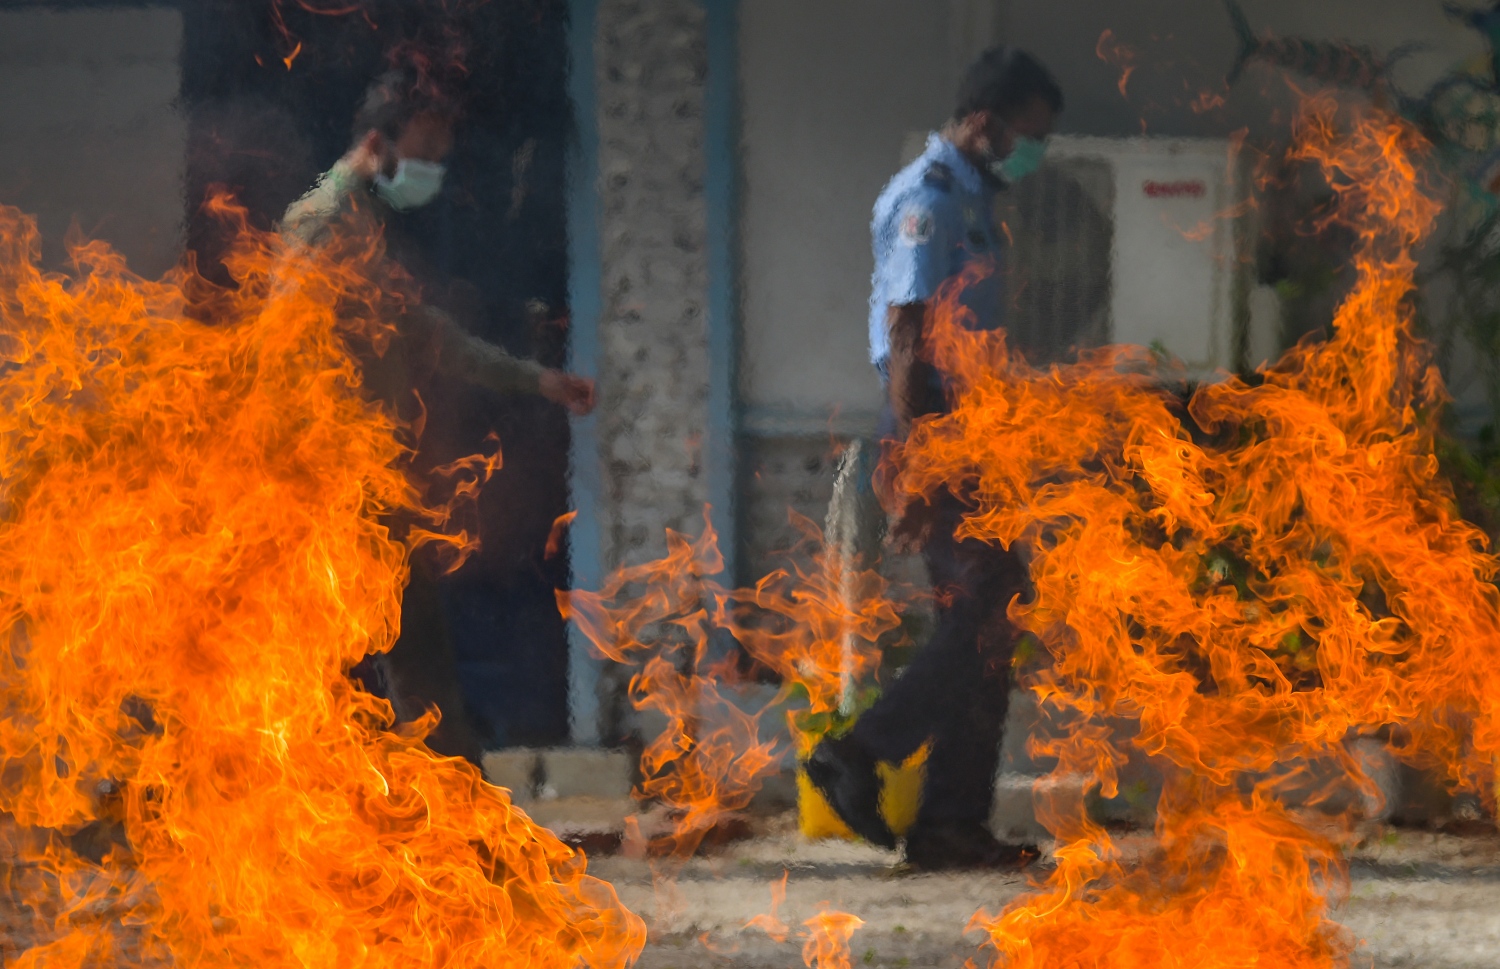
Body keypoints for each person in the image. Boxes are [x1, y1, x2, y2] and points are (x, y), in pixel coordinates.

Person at [280, 68, 596, 764]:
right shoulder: (321, 228)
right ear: (377, 144)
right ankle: (404, 806)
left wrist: (534, 379)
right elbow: (283, 353)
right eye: (423, 154)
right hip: (333, 488)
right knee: (347, 661)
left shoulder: (363, 228)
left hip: (375, 485)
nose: (432, 171)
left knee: (414, 651)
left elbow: (424, 334)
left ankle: (453, 807)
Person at [804, 47, 1063, 870]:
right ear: (983, 122)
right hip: (934, 420)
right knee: (989, 605)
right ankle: (865, 751)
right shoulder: (929, 199)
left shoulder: (974, 196)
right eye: (1029, 135)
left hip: (974, 426)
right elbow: (911, 334)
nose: (1034, 151)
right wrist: (915, 459)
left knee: (990, 616)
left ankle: (952, 822)